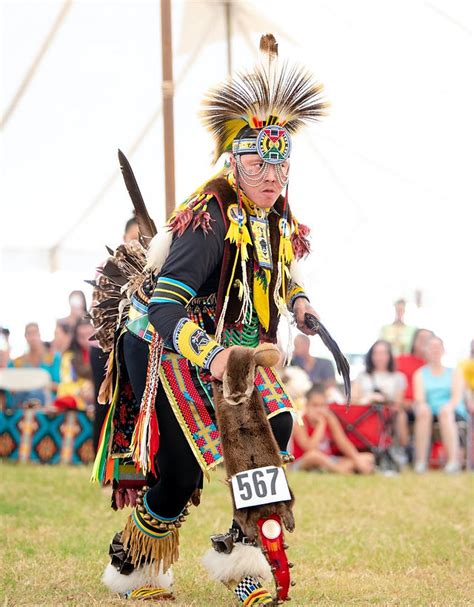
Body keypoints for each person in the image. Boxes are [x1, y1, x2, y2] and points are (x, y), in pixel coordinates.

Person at [92, 34, 329, 602]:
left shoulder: (274, 210)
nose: (270, 174)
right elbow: (169, 304)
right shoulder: (210, 216)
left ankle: (242, 550)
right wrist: (213, 354)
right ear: (233, 161)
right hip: (165, 339)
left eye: (279, 162)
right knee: (181, 471)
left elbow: (276, 270)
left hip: (233, 342)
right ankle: (136, 566)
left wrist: (298, 302)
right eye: (256, 161)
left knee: (275, 425)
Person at [413, 336, 467, 474]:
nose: (435, 350)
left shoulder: (454, 372)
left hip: (453, 411)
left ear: (443, 350)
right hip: (430, 412)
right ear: (426, 351)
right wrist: (423, 406)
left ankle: (452, 462)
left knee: (445, 413)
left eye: (438, 347)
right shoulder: (420, 374)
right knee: (424, 411)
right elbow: (420, 398)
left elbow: (456, 397)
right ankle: (420, 462)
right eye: (431, 347)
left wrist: (448, 407)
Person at [292, 384, 374, 474]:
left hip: (328, 460)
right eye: (315, 405)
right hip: (303, 461)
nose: (319, 410)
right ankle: (339, 470)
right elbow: (310, 448)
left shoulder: (329, 418)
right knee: (313, 456)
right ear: (307, 406)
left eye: (322, 405)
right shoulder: (300, 422)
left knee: (368, 457)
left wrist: (357, 459)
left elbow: (342, 442)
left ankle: (333, 469)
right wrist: (321, 425)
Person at [395, 328, 434, 455]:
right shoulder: (401, 360)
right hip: (402, 404)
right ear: (414, 341)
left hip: (426, 406)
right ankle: (407, 451)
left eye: (427, 339)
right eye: (420, 338)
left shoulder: (434, 366)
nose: (424, 342)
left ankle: (419, 454)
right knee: (399, 415)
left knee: (423, 410)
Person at [8, 322, 61, 407]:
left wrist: (40, 385)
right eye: (29, 334)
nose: (33, 337)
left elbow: (59, 385)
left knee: (36, 394)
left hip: (46, 403)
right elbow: (10, 387)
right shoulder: (16, 362)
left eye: (35, 333)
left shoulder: (54, 358)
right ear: (25, 337)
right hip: (21, 403)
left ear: (40, 335)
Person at [54, 319, 94, 411]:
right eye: (81, 336)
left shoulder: (104, 355)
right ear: (76, 338)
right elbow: (66, 382)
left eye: (89, 335)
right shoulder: (69, 357)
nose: (86, 340)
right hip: (77, 404)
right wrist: (81, 392)